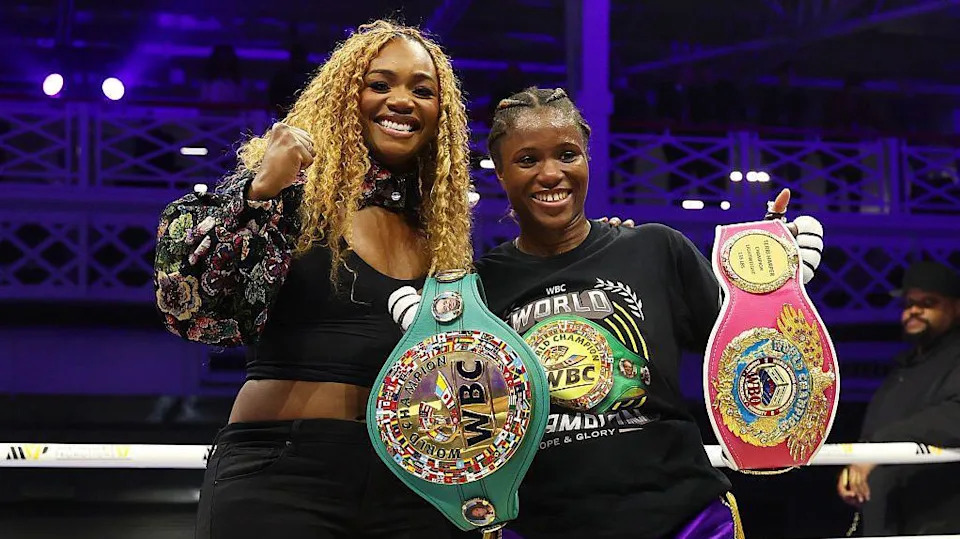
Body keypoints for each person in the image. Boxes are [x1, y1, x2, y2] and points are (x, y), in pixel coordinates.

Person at [390, 87, 825, 538]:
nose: (551, 174)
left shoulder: (655, 247)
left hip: (682, 519)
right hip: (543, 524)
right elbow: (462, 429)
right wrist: (428, 358)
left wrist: (773, 291)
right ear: (500, 173)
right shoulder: (478, 289)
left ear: (587, 160)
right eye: (527, 160)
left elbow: (744, 357)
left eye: (567, 154)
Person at [153, 20, 472, 539]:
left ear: (441, 115)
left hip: (411, 482)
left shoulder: (441, 233)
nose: (402, 100)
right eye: (380, 84)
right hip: (281, 472)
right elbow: (189, 307)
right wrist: (258, 191)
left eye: (422, 90)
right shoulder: (289, 194)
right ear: (347, 95)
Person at [837, 261, 960, 535]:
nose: (914, 310)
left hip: (937, 523)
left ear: (956, 307)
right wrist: (858, 467)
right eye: (908, 303)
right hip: (888, 522)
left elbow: (954, 416)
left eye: (928, 303)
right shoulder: (904, 368)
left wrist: (875, 450)